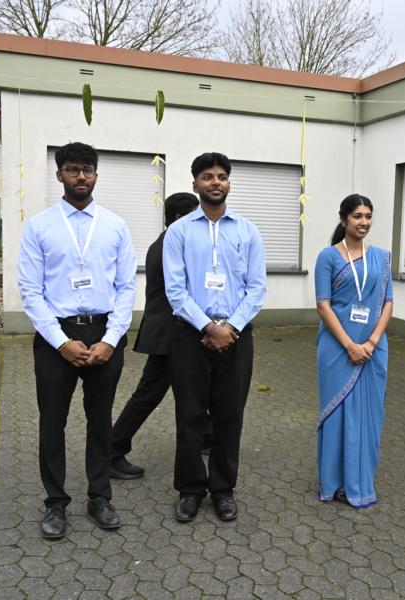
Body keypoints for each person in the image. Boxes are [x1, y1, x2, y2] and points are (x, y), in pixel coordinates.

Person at [17, 142, 137, 538]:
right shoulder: (40, 226)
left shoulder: (115, 226)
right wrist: (60, 342)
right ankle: (55, 502)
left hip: (104, 333)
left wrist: (111, 339)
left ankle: (99, 497)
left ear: (96, 175)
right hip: (57, 336)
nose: (81, 176)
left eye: (87, 169)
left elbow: (126, 288)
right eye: (73, 169)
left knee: (100, 421)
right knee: (52, 422)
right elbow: (30, 291)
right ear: (60, 175)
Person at [163, 152, 266, 523]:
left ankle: (223, 489)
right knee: (190, 416)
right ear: (195, 184)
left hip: (236, 336)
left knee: (230, 416)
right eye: (207, 176)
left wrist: (230, 328)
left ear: (229, 184)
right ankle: (190, 490)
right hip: (190, 337)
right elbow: (175, 290)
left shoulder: (248, 231)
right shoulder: (178, 232)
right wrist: (209, 327)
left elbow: (257, 288)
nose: (215, 182)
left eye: (221, 176)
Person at [108, 192, 199, 480]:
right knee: (148, 395)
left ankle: (207, 437)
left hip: (170, 331)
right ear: (179, 218)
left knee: (197, 388)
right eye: (195, 217)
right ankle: (111, 450)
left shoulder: (163, 242)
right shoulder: (171, 246)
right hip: (169, 333)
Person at [314, 195, 393, 508]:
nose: (364, 222)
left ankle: (360, 482)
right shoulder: (328, 257)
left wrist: (370, 343)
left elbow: (388, 302)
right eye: (358, 216)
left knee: (369, 417)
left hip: (373, 348)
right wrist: (350, 345)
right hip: (337, 349)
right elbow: (323, 305)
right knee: (337, 414)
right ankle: (334, 483)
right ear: (344, 218)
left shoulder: (381, 258)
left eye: (368, 216)